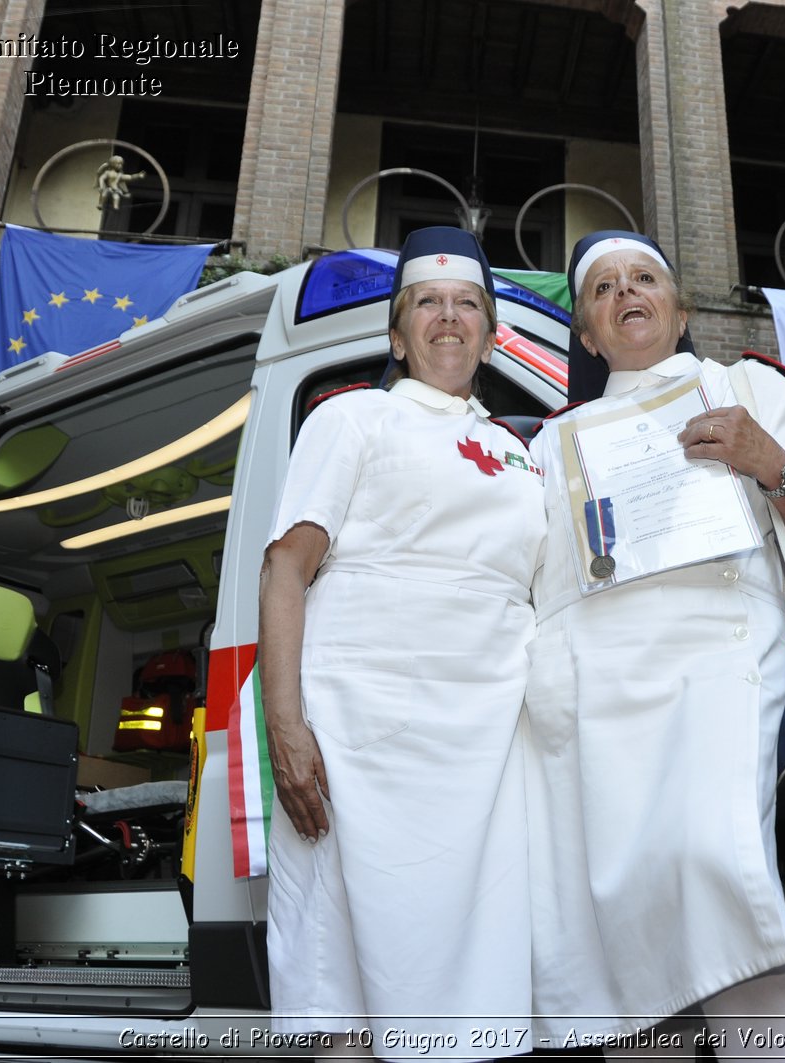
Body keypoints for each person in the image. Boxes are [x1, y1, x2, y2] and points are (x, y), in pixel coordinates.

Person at [525, 231, 785, 1057]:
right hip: (592, 692)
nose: (626, 292)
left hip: (718, 662)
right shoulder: (548, 443)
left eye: (643, 278)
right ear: (589, 335)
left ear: (680, 309)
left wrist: (769, 463)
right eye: (603, 288)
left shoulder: (742, 388)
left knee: (721, 867)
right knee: (627, 912)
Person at [259, 227, 544, 1058]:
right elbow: (286, 567)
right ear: (396, 334)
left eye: (467, 305)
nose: (448, 318)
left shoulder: (519, 454)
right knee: (343, 984)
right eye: (427, 302)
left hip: (487, 756)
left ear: (491, 335)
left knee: (479, 984)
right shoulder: (352, 418)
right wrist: (287, 729)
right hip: (358, 743)